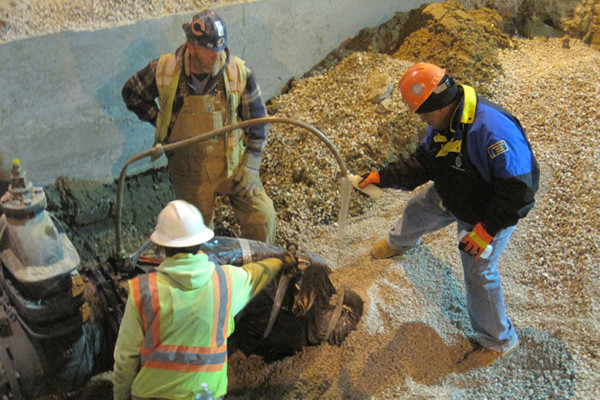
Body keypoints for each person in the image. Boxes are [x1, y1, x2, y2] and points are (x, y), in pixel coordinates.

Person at [357, 62, 539, 367]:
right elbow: (423, 163)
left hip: (486, 213)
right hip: (454, 192)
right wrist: (382, 177)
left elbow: (519, 191)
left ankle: (500, 341)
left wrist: (485, 230)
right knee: (418, 207)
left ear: (439, 102)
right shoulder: (446, 121)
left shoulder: (492, 130)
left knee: (479, 272)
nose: (422, 119)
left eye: (423, 112)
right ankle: (399, 243)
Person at [112, 200, 294, 400]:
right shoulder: (226, 282)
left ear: (161, 245)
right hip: (205, 396)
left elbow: (125, 359)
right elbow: (256, 274)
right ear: (201, 242)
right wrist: (280, 261)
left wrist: (120, 396)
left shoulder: (143, 290)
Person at [122, 10, 276, 244]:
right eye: (210, 50)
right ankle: (208, 277)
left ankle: (259, 271)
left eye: (220, 49)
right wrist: (161, 123)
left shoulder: (237, 72)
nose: (218, 56)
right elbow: (131, 93)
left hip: (232, 164)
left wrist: (251, 167)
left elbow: (258, 124)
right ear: (192, 46)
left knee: (262, 218)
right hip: (189, 170)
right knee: (196, 237)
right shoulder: (164, 69)